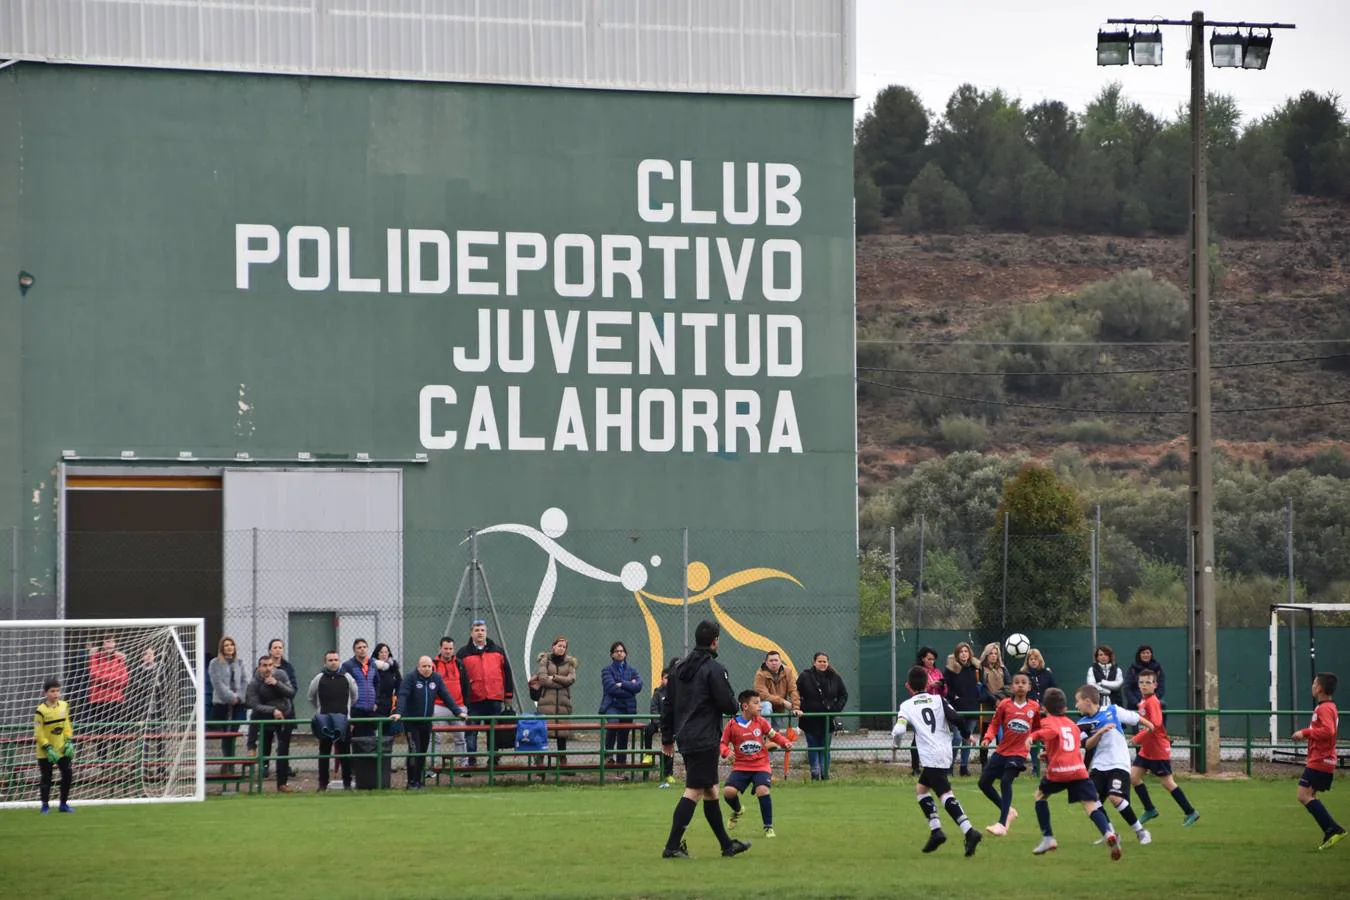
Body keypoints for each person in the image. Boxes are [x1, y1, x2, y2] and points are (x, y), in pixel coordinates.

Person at [659, 619, 751, 859]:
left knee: (711, 790)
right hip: (705, 737)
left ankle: (726, 846)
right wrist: (733, 700)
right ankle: (671, 846)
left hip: (686, 736)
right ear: (715, 641)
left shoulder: (678, 669)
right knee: (694, 790)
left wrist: (667, 737)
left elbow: (668, 705)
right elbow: (727, 704)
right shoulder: (714, 668)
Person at [892, 665, 981, 857]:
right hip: (944, 752)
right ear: (927, 683)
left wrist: (896, 743)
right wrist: (967, 735)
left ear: (908, 686)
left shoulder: (906, 706)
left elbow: (899, 730)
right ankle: (936, 831)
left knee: (945, 795)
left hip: (931, 757)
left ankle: (969, 831)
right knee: (921, 789)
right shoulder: (938, 699)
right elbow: (957, 718)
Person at [1025, 687, 1121, 859]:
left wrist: (1033, 736)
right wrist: (1048, 754)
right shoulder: (1072, 725)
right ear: (1064, 707)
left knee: (1040, 796)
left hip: (1059, 771)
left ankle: (1048, 838)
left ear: (1044, 708)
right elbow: (1068, 747)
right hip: (1078, 770)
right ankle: (1108, 833)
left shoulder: (1048, 722)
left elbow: (1051, 732)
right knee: (1090, 805)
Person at [1075, 684, 1155, 846]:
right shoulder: (1081, 724)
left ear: (1088, 701)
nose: (1076, 705)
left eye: (1078, 701)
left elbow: (1134, 717)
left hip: (1118, 763)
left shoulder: (1112, 710)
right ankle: (1110, 833)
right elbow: (1087, 745)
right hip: (1098, 766)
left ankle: (1141, 831)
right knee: (1091, 799)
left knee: (1115, 797)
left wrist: (1150, 726)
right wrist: (1100, 732)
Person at [1128, 669, 1198, 827]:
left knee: (1167, 783)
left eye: (1148, 682)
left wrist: (1137, 738)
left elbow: (1156, 724)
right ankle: (1150, 809)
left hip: (1158, 749)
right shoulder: (1144, 701)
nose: (1144, 685)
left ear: (1155, 685)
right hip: (1147, 748)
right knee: (1133, 778)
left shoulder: (1153, 701)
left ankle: (1191, 812)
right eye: (1141, 682)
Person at [721, 689, 794, 838]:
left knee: (763, 790)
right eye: (756, 703)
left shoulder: (761, 722)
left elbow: (775, 735)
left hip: (761, 765)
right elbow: (722, 744)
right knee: (728, 792)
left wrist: (785, 742)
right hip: (741, 766)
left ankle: (768, 827)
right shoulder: (732, 725)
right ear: (745, 706)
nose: (760, 707)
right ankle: (738, 810)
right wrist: (726, 752)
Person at [977, 671, 1040, 836]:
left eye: (1023, 682)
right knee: (983, 783)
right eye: (1017, 682)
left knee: (1006, 781)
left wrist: (1038, 741)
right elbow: (994, 724)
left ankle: (1002, 823)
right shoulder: (1004, 704)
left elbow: (1038, 729)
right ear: (1011, 687)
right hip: (1002, 751)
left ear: (1029, 687)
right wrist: (987, 738)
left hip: (1019, 753)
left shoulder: (1034, 707)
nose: (1020, 685)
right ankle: (1009, 811)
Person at [392, 655, 466, 789]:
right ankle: (411, 782)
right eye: (424, 666)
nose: (427, 669)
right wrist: (398, 712)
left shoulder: (436, 678)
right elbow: (403, 695)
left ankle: (419, 781)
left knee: (423, 752)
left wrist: (458, 712)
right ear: (418, 667)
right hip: (411, 722)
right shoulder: (410, 678)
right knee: (415, 750)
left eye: (429, 666)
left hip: (426, 722)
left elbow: (446, 695)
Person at [1291, 672, 1346, 850]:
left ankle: (1333, 829)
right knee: (1310, 796)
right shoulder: (1327, 707)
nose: (1312, 686)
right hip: (1322, 759)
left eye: (1315, 683)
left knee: (1303, 795)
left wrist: (1305, 733)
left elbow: (1328, 732)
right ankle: (1331, 830)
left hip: (1321, 760)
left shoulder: (1324, 708)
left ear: (1320, 688)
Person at [456, 619, 515, 767]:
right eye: (476, 630)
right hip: (473, 700)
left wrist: (508, 695)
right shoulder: (463, 653)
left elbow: (507, 674)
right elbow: (457, 677)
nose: (480, 633)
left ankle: (493, 759)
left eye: (482, 630)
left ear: (486, 632)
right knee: (471, 731)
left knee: (494, 731)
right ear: (471, 633)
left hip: (494, 698)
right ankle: (471, 761)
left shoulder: (498, 651)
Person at [246, 655, 297, 793]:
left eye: (270, 665)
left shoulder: (281, 674)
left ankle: (282, 783)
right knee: (255, 719)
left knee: (283, 749)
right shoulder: (254, 683)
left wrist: (276, 683)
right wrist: (272, 710)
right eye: (264, 665)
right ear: (259, 667)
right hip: (265, 715)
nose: (267, 668)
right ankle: (251, 746)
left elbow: (291, 693)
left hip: (284, 714)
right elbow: (254, 705)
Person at [308, 650, 358, 791]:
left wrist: (346, 713)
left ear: (339, 661)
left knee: (345, 754)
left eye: (336, 659)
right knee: (324, 754)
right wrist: (320, 711)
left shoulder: (347, 677)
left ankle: (347, 784)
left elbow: (355, 696)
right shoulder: (318, 678)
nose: (333, 662)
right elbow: (311, 697)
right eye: (330, 660)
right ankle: (322, 784)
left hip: (343, 722)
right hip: (324, 722)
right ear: (325, 662)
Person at [796, 651, 848, 781]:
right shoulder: (804, 676)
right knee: (813, 747)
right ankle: (814, 774)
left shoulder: (835, 677)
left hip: (827, 719)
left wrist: (835, 709)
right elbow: (795, 693)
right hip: (809, 719)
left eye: (825, 661)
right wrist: (801, 707)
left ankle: (825, 775)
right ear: (814, 662)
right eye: (820, 661)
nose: (822, 663)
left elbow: (843, 694)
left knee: (825, 748)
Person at [84, 636, 129, 762]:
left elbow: (125, 679)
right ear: (102, 644)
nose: (110, 644)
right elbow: (94, 675)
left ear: (115, 644)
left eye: (112, 641)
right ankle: (103, 763)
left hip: (116, 700)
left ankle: (117, 761)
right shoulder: (95, 658)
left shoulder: (120, 659)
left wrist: (106, 680)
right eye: (107, 641)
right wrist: (114, 679)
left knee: (118, 730)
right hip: (98, 700)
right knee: (101, 731)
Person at [34, 678, 75, 814]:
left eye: (57, 691)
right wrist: (47, 747)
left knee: (68, 774)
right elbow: (38, 732)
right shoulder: (41, 710)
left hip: (62, 748)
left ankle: (63, 804)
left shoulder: (64, 705)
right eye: (52, 691)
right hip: (46, 751)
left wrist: (68, 741)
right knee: (46, 778)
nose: (55, 694)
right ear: (45, 693)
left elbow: (67, 724)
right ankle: (45, 805)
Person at [534, 635, 577, 765]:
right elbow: (543, 679)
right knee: (544, 732)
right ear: (553, 647)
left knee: (562, 734)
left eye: (564, 647)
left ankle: (563, 761)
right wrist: (561, 681)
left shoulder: (570, 663)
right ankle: (540, 761)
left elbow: (571, 680)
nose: (561, 649)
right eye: (559, 646)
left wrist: (554, 677)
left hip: (563, 704)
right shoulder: (545, 661)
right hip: (546, 702)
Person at [600, 640, 643, 768]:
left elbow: (639, 686)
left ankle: (621, 767)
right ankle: (608, 755)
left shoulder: (633, 670)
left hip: (628, 708)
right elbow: (611, 688)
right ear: (612, 654)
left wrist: (622, 684)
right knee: (613, 723)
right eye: (617, 651)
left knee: (624, 736)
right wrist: (630, 687)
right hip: (612, 706)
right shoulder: (606, 670)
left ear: (625, 654)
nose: (619, 653)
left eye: (622, 651)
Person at [207, 636, 249, 764]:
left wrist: (239, 697)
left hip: (238, 704)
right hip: (222, 703)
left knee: (234, 732)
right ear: (222, 648)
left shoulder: (239, 662)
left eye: (231, 644)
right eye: (226, 645)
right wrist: (231, 697)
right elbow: (217, 683)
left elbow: (244, 681)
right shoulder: (215, 663)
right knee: (225, 733)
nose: (229, 647)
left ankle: (231, 761)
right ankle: (227, 761)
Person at [943, 642, 980, 777]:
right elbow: (946, 688)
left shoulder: (974, 668)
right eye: (961, 652)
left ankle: (964, 767)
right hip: (957, 710)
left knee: (967, 739)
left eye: (966, 651)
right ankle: (949, 767)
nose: (964, 654)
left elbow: (979, 686)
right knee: (957, 738)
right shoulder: (950, 669)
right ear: (957, 654)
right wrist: (955, 697)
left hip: (972, 708)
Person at [431, 637, 469, 768]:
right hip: (438, 706)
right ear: (440, 648)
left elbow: (465, 685)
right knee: (435, 738)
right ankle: (433, 767)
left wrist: (465, 705)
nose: (448, 651)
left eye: (450, 649)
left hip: (458, 706)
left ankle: (463, 766)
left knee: (460, 738)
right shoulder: (433, 664)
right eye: (445, 648)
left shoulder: (459, 664)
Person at [1021, 648, 1057, 776]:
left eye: (1036, 659)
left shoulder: (1047, 674)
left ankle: (1050, 765)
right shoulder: (1023, 675)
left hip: (1045, 711)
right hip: (1031, 712)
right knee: (1033, 738)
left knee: (1047, 738)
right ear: (1027, 661)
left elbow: (1053, 690)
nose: (1033, 661)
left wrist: (1046, 705)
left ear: (1040, 660)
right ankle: (1035, 767)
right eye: (1031, 659)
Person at [976, 642, 1011, 768]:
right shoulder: (981, 669)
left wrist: (1000, 699)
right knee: (985, 735)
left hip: (1002, 706)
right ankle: (984, 764)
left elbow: (1008, 686)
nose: (993, 656)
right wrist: (993, 700)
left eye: (996, 653)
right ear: (986, 654)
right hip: (987, 707)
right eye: (991, 653)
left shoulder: (1003, 669)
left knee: (1002, 737)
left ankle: (1001, 764)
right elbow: (982, 688)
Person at [340, 639, 382, 739]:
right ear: (354, 650)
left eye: (364, 647)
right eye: (359, 648)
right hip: (356, 709)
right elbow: (343, 685)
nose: (362, 649)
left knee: (370, 740)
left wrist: (376, 701)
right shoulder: (348, 666)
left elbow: (377, 683)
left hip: (370, 709)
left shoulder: (372, 664)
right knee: (358, 739)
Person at [752, 650, 800, 727]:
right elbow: (762, 695)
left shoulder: (788, 671)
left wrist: (796, 707)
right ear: (766, 663)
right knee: (767, 705)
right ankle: (765, 731)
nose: (774, 663)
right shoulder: (760, 674)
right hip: (763, 706)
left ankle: (770, 736)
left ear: (780, 661)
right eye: (771, 660)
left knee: (775, 733)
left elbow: (793, 690)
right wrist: (783, 701)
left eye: (776, 660)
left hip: (779, 708)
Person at [644, 666, 675, 786]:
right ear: (662, 679)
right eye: (666, 678)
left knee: (669, 742)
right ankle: (648, 754)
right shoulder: (657, 693)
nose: (668, 680)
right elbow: (653, 710)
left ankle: (668, 774)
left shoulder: (675, 693)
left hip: (669, 725)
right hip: (659, 724)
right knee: (648, 729)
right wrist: (659, 724)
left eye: (670, 678)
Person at [1123, 645, 1165, 711]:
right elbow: (1127, 688)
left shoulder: (1158, 669)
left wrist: (1152, 700)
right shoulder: (1132, 669)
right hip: (1135, 704)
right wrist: (1137, 703)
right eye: (1143, 653)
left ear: (1151, 654)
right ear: (1139, 655)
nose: (1145, 655)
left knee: (1162, 705)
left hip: (1153, 702)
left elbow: (1161, 687)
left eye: (1147, 653)